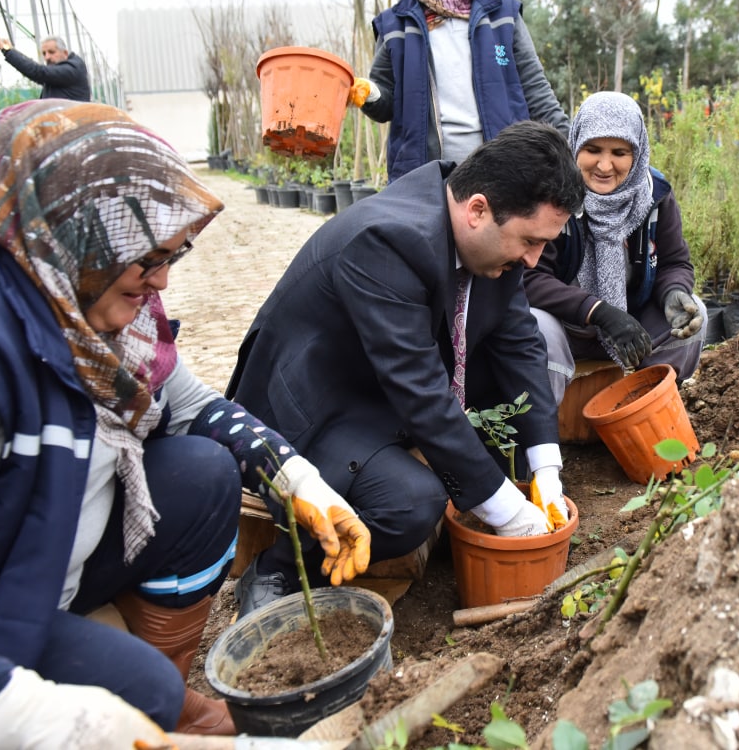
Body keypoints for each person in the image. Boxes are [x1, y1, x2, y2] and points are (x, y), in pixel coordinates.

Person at [0, 99, 370, 746]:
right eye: (145, 257)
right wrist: (17, 714)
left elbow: (194, 408)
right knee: (137, 692)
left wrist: (298, 480)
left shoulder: (69, 291)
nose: (161, 279)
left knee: (202, 473)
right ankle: (141, 701)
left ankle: (155, 697)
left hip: (28, 546)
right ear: (73, 227)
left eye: (175, 254)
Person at [226, 121, 585, 615]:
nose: (533, 258)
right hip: (320, 400)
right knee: (412, 504)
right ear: (478, 209)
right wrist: (503, 508)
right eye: (529, 241)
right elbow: (421, 392)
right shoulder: (386, 242)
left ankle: (485, 484)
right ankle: (280, 569)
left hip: (386, 377)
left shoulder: (485, 237)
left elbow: (520, 342)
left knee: (538, 349)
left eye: (544, 243)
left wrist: (545, 470)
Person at [348, 0, 569, 180]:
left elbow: (536, 92)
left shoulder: (502, 16)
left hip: (504, 173)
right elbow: (387, 104)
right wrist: (369, 93)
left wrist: (571, 151)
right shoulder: (397, 25)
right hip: (425, 177)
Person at [524, 91, 706, 403]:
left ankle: (648, 410)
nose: (605, 166)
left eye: (619, 152)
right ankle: (546, 434)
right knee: (535, 327)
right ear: (576, 144)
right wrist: (597, 311)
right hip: (568, 328)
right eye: (593, 150)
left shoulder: (654, 196)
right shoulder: (553, 195)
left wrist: (674, 292)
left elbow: (675, 262)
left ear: (637, 153)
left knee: (695, 312)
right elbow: (530, 278)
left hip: (631, 324)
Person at [0, 30, 92, 101]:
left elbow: (38, 72)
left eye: (51, 52)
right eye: (44, 53)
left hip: (73, 131)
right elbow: (36, 69)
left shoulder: (72, 69)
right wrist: (10, 50)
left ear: (65, 53)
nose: (47, 57)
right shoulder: (59, 74)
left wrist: (6, 50)